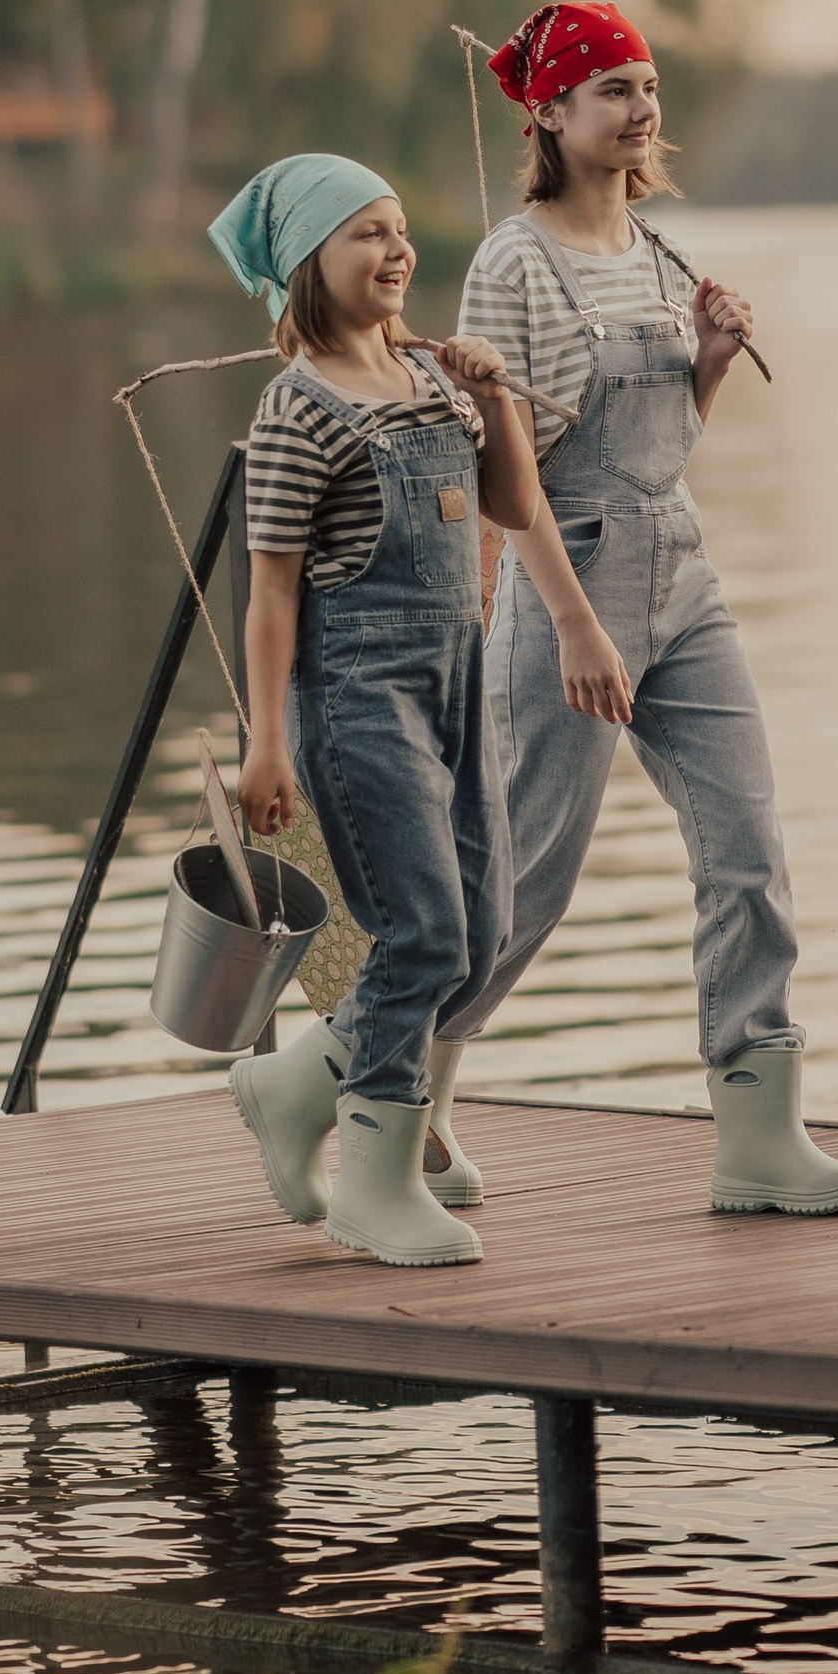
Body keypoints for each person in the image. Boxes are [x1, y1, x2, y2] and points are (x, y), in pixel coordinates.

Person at [451, 1, 838, 1217]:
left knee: (747, 845)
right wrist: (576, 625)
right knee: (526, 878)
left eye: (647, 86)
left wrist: (709, 363)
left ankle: (757, 1136)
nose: (640, 110)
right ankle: (374, 1086)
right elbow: (508, 468)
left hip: (680, 571)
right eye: (613, 90)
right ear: (550, 112)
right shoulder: (512, 261)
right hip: (563, 583)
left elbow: (662, 450)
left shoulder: (654, 249)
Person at [208, 151, 540, 1268]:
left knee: (481, 931)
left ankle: (293, 1086)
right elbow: (268, 594)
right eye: (366, 233)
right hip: (358, 700)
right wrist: (266, 745)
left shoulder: (438, 379)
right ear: (309, 262)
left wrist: (495, 395)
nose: (397, 250)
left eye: (401, 229)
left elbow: (511, 507)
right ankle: (375, 1179)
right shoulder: (295, 410)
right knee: (422, 931)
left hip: (460, 683)